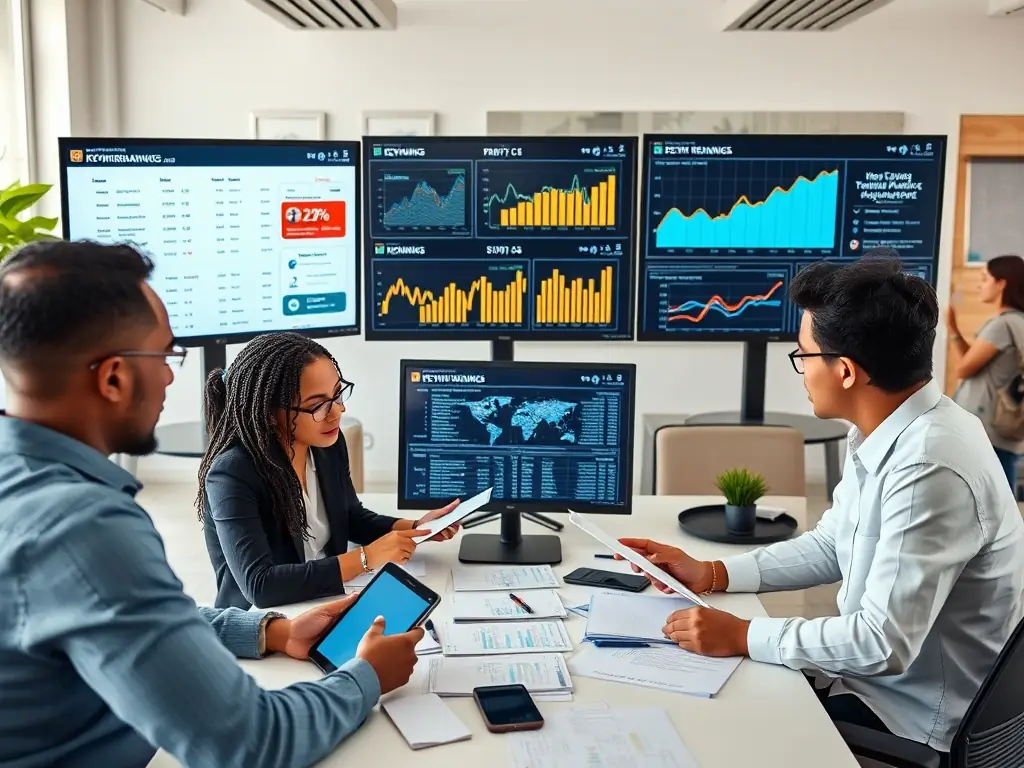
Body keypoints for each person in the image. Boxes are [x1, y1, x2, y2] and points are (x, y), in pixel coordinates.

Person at [0, 241, 423, 768]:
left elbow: (146, 618)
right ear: (112, 377)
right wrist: (366, 678)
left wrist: (270, 631)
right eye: (164, 355)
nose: (173, 377)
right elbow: (250, 739)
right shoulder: (80, 527)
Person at [621, 256, 1024, 764]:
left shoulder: (930, 466)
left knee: (705, 737)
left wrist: (745, 634)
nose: (801, 368)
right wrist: (714, 572)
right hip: (870, 686)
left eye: (804, 355)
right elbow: (834, 543)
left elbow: (882, 643)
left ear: (847, 371)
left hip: (912, 721)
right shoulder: (891, 428)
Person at [197, 332, 461, 609]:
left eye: (337, 395)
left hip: (328, 598)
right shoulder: (232, 474)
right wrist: (365, 557)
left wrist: (416, 528)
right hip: (268, 620)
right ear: (268, 413)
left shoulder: (328, 445)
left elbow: (350, 517)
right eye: (318, 405)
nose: (338, 411)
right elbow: (261, 586)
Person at [949, 254, 1024, 491]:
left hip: (987, 429)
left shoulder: (1001, 325)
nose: (980, 285)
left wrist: (950, 327)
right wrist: (955, 330)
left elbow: (964, 368)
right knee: (1000, 503)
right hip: (1004, 426)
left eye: (985, 279)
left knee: (991, 503)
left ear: (1002, 283)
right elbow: (974, 362)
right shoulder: (1018, 321)